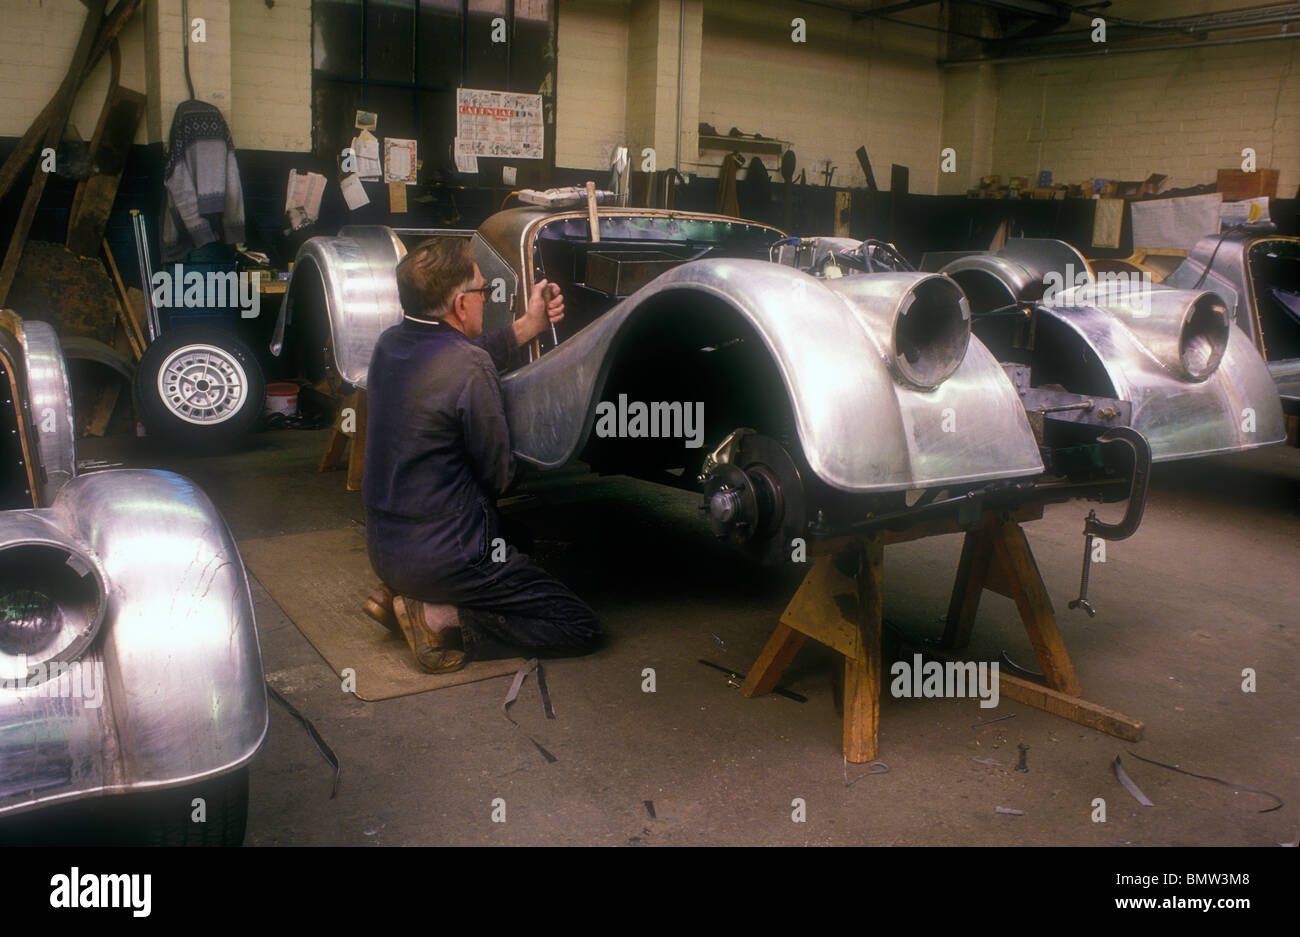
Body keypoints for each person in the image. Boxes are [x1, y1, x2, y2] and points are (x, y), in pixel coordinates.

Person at [362, 237, 602, 673]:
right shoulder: (469, 367)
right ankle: (437, 614)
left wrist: (528, 325)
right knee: (578, 625)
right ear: (460, 305)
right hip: (449, 555)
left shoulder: (388, 345)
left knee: (522, 542)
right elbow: (500, 477)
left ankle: (401, 590)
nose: (485, 297)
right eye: (483, 291)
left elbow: (455, 355)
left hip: (386, 548)